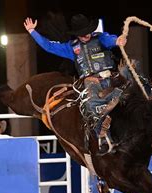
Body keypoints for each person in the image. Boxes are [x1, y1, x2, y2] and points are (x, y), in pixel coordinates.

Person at [23, 14, 127, 155]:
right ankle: (102, 136)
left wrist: (118, 40)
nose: (86, 36)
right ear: (77, 35)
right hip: (91, 82)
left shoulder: (100, 38)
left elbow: (111, 40)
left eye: (87, 32)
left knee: (132, 88)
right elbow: (49, 46)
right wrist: (32, 32)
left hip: (110, 77)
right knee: (91, 104)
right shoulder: (71, 48)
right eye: (82, 34)